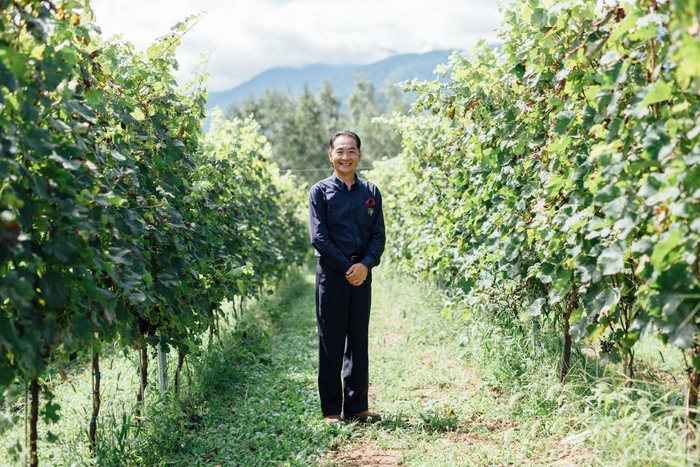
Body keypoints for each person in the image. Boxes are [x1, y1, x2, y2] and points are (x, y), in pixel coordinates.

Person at [308, 131, 385, 424]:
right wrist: (347, 268)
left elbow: (378, 234)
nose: (345, 157)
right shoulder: (319, 192)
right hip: (332, 275)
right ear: (331, 155)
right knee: (331, 341)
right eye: (339, 151)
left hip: (362, 275)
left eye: (351, 151)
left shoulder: (371, 192)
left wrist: (365, 265)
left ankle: (357, 407)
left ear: (360, 156)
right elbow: (320, 237)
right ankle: (331, 411)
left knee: (357, 339)